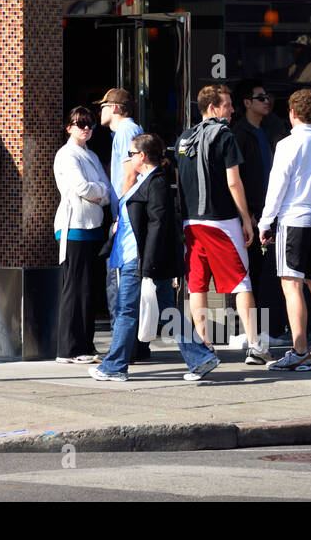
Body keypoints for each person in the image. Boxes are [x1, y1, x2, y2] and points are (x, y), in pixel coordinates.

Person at [91, 133, 220, 382]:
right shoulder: (146, 180)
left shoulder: (157, 182)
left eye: (130, 155)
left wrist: (147, 265)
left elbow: (158, 225)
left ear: (141, 156)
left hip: (138, 260)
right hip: (137, 257)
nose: (128, 160)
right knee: (167, 310)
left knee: (126, 310)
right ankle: (200, 358)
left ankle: (114, 366)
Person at [175, 84, 268, 365]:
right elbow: (233, 181)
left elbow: (180, 184)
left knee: (198, 286)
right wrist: (245, 218)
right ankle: (255, 345)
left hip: (192, 223)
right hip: (222, 221)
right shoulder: (224, 135)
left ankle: (204, 347)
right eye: (226, 105)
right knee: (241, 282)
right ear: (212, 108)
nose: (231, 111)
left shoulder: (184, 138)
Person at [260, 88, 311, 372]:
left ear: (292, 114)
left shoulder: (287, 145)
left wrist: (265, 221)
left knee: (291, 285)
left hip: (294, 220)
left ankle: (300, 351)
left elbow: (277, 188)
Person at [231, 78, 287, 345]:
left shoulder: (269, 129)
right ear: (246, 103)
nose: (267, 101)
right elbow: (236, 178)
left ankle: (269, 330)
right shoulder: (240, 134)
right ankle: (249, 331)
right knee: (250, 272)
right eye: (261, 97)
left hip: (269, 211)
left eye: (268, 97)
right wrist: (248, 212)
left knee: (269, 272)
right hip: (252, 213)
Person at [53, 106, 110, 364]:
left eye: (89, 125)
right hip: (74, 225)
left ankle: (84, 345)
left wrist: (98, 193)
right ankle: (69, 348)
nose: (85, 129)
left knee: (88, 290)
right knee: (75, 288)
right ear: (69, 128)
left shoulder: (92, 155)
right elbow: (82, 187)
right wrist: (99, 192)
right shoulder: (67, 155)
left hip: (91, 226)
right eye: (80, 124)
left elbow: (105, 190)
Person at [97, 87, 145, 352]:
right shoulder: (125, 132)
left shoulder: (126, 131)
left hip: (125, 217)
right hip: (126, 215)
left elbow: (130, 173)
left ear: (114, 108)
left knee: (118, 281)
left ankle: (122, 346)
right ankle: (132, 345)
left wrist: (120, 212)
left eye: (104, 106)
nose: (101, 111)